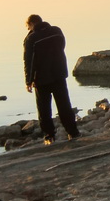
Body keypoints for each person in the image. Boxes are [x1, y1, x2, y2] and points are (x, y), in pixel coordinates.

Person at [23, 14, 80, 144]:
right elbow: (62, 46)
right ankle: (73, 132)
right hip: (59, 74)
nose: (28, 29)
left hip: (41, 79)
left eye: (28, 27)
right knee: (64, 105)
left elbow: (29, 61)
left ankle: (49, 136)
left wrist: (28, 80)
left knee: (44, 109)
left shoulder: (31, 38)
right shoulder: (56, 31)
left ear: (31, 24)